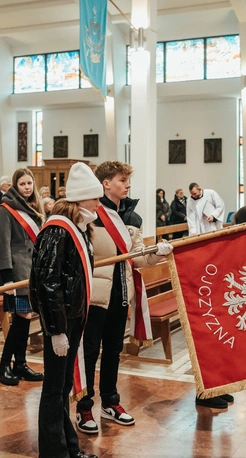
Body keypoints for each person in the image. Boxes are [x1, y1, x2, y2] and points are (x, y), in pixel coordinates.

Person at [75, 161, 173, 435]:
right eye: (122, 180)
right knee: (90, 351)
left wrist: (158, 252)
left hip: (120, 294)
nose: (127, 185)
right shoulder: (91, 214)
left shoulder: (131, 217)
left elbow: (139, 258)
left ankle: (110, 401)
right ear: (106, 183)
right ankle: (84, 406)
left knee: (114, 351)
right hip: (96, 297)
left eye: (127, 180)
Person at [29, 162, 102, 458]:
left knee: (64, 388)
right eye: (95, 199)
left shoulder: (80, 227)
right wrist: (56, 330)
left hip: (73, 319)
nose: (98, 206)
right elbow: (48, 282)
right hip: (61, 323)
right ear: (81, 200)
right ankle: (53, 456)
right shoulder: (58, 229)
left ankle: (69, 447)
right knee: (53, 389)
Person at [194, 205, 246, 409]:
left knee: (223, 348)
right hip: (213, 301)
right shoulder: (226, 241)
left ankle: (216, 387)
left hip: (226, 301)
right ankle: (203, 392)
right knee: (210, 347)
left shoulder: (242, 242)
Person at [0, 169, 46, 386]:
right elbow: (2, 245)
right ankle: (4, 365)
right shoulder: (5, 210)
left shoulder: (33, 208)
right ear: (15, 186)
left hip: (31, 271)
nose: (27, 187)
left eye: (29, 183)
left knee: (24, 318)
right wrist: (7, 277)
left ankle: (20, 364)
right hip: (16, 273)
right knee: (21, 319)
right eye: (23, 184)